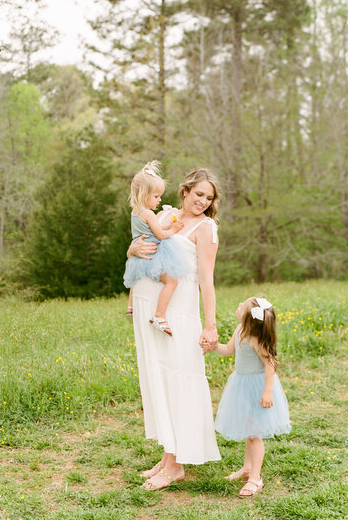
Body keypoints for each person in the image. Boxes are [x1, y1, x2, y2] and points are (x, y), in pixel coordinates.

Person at [127, 168, 222, 490]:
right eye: (199, 195)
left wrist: (211, 325)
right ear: (185, 191)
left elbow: (207, 280)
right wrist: (131, 251)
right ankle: (169, 455)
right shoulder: (164, 214)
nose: (203, 202)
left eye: (209, 198)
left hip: (179, 313)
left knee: (178, 378)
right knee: (159, 380)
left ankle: (177, 464)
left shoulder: (206, 228)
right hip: (149, 310)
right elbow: (141, 244)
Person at [202, 297, 291, 497]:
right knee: (250, 431)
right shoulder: (240, 330)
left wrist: (268, 391)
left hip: (257, 389)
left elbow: (270, 365)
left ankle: (256, 478)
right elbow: (228, 350)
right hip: (241, 386)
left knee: (255, 434)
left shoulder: (255, 340)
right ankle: (247, 468)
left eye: (243, 306)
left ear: (250, 319)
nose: (239, 305)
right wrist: (214, 347)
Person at [123, 161, 189, 336]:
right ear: (144, 194)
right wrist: (173, 229)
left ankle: (130, 307)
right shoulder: (148, 213)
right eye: (156, 196)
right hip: (152, 252)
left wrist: (167, 222)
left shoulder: (135, 212)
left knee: (134, 276)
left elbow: (151, 229)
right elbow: (159, 234)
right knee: (172, 281)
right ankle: (160, 316)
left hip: (139, 253)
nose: (160, 199)